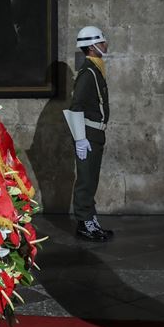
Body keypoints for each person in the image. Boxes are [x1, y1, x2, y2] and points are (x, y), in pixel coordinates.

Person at [64, 26, 113, 242]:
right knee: (85, 180)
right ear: (93, 46)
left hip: (95, 134)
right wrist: (80, 138)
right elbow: (76, 107)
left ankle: (90, 220)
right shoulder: (88, 73)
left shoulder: (95, 69)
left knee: (91, 180)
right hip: (88, 134)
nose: (106, 45)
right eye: (102, 42)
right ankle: (85, 223)